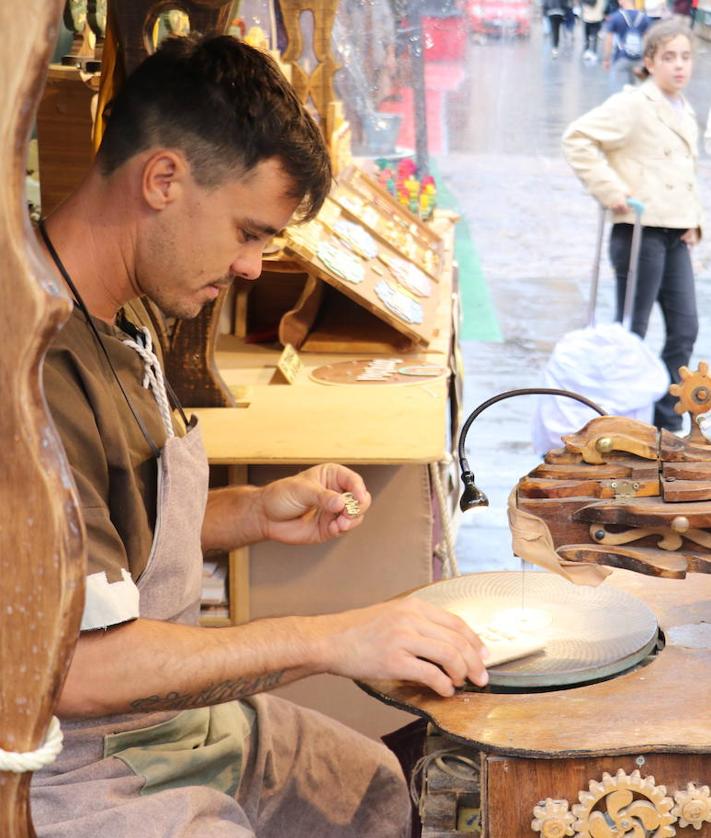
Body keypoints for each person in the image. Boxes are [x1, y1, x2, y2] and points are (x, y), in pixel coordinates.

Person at [30, 34, 489, 837]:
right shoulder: (34, 367)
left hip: (165, 723)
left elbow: (93, 537)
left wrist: (252, 512)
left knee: (372, 786)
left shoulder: (130, 300)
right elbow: (84, 668)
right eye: (247, 231)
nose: (251, 266)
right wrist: (333, 639)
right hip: (78, 761)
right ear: (163, 179)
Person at [562, 19, 703, 433]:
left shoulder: (684, 108)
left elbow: (682, 172)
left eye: (685, 57)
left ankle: (664, 421)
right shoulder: (635, 104)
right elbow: (578, 138)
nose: (679, 66)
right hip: (639, 231)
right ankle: (627, 422)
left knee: (685, 328)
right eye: (669, 57)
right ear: (649, 61)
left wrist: (693, 222)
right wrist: (611, 190)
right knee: (632, 332)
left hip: (674, 233)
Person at [602, 0, 651, 90]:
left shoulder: (615, 17)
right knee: (638, 92)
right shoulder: (644, 18)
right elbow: (647, 42)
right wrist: (646, 61)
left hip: (621, 59)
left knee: (619, 93)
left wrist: (606, 59)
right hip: (638, 61)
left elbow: (609, 40)